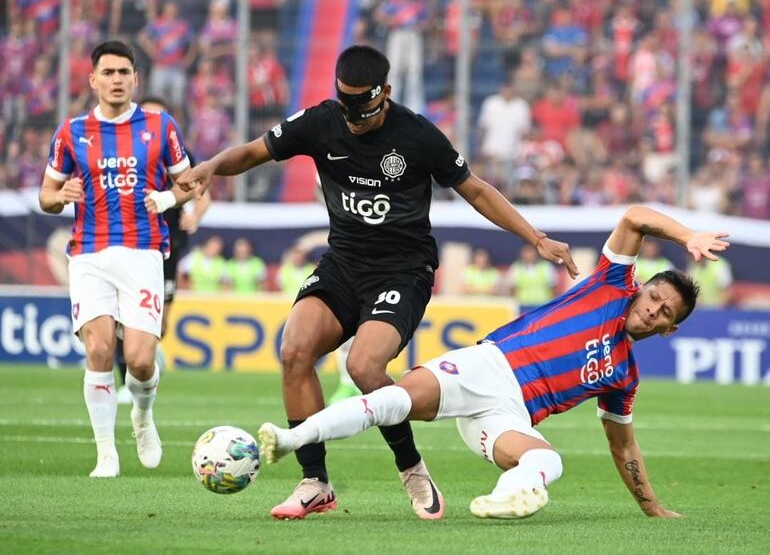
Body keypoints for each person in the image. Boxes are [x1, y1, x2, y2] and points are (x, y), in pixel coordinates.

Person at [176, 44, 577, 520]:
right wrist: (209, 168)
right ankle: (315, 483)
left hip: (404, 271)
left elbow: (476, 190)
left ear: (384, 93)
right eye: (344, 106)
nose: (352, 118)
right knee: (295, 350)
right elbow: (254, 151)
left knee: (366, 368)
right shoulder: (321, 121)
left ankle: (411, 468)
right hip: (343, 264)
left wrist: (535, 238)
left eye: (362, 109)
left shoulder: (417, 135)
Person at [257, 205, 729, 520]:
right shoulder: (611, 282)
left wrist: (654, 510)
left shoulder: (624, 376)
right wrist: (688, 235)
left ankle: (505, 498)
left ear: (669, 328)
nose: (652, 309)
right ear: (642, 287)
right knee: (393, 400)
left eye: (665, 312)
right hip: (489, 365)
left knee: (547, 458)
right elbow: (634, 217)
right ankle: (291, 438)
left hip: (509, 415)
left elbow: (623, 447)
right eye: (653, 297)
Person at [38, 41, 193, 477]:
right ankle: (106, 452)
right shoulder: (71, 132)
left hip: (144, 253)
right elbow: (46, 194)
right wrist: (60, 195)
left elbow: (189, 184)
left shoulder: (160, 126)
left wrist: (164, 199)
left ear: (136, 78)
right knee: (100, 347)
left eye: (124, 72)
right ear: (93, 80)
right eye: (108, 73)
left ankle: (142, 416)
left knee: (141, 360)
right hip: (88, 253)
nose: (117, 80)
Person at [116, 95, 212, 405]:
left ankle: (148, 354)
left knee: (160, 320)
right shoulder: (121, 153)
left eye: (162, 116)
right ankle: (129, 377)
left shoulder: (181, 156)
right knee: (122, 315)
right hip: (127, 242)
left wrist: (194, 215)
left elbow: (201, 193)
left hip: (167, 245)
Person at [507, 244, 558, 309]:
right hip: (522, 305)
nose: (529, 255)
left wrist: (551, 305)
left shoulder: (547, 266)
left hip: (543, 305)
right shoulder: (516, 267)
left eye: (531, 251)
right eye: (526, 252)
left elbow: (553, 288)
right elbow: (513, 289)